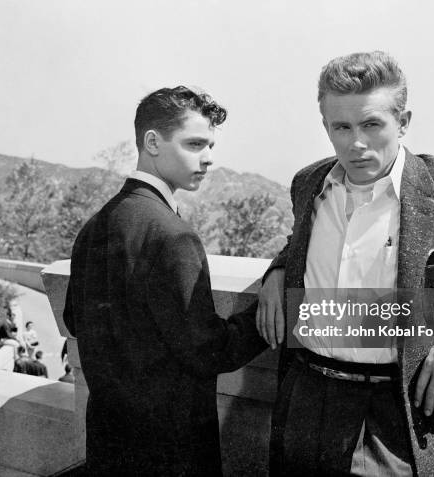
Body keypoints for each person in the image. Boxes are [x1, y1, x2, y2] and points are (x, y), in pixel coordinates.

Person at [256, 51, 434, 476]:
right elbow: (300, 241)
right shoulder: (308, 183)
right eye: (342, 127)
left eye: (372, 124)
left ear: (403, 122)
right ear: (326, 127)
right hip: (308, 399)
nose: (356, 143)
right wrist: (277, 271)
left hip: (403, 414)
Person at [63, 86, 267, 476]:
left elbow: (75, 320)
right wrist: (277, 308)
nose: (208, 159)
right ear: (152, 142)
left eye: (210, 146)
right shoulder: (174, 236)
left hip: (109, 443)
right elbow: (210, 350)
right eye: (194, 144)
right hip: (172, 453)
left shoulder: (95, 225)